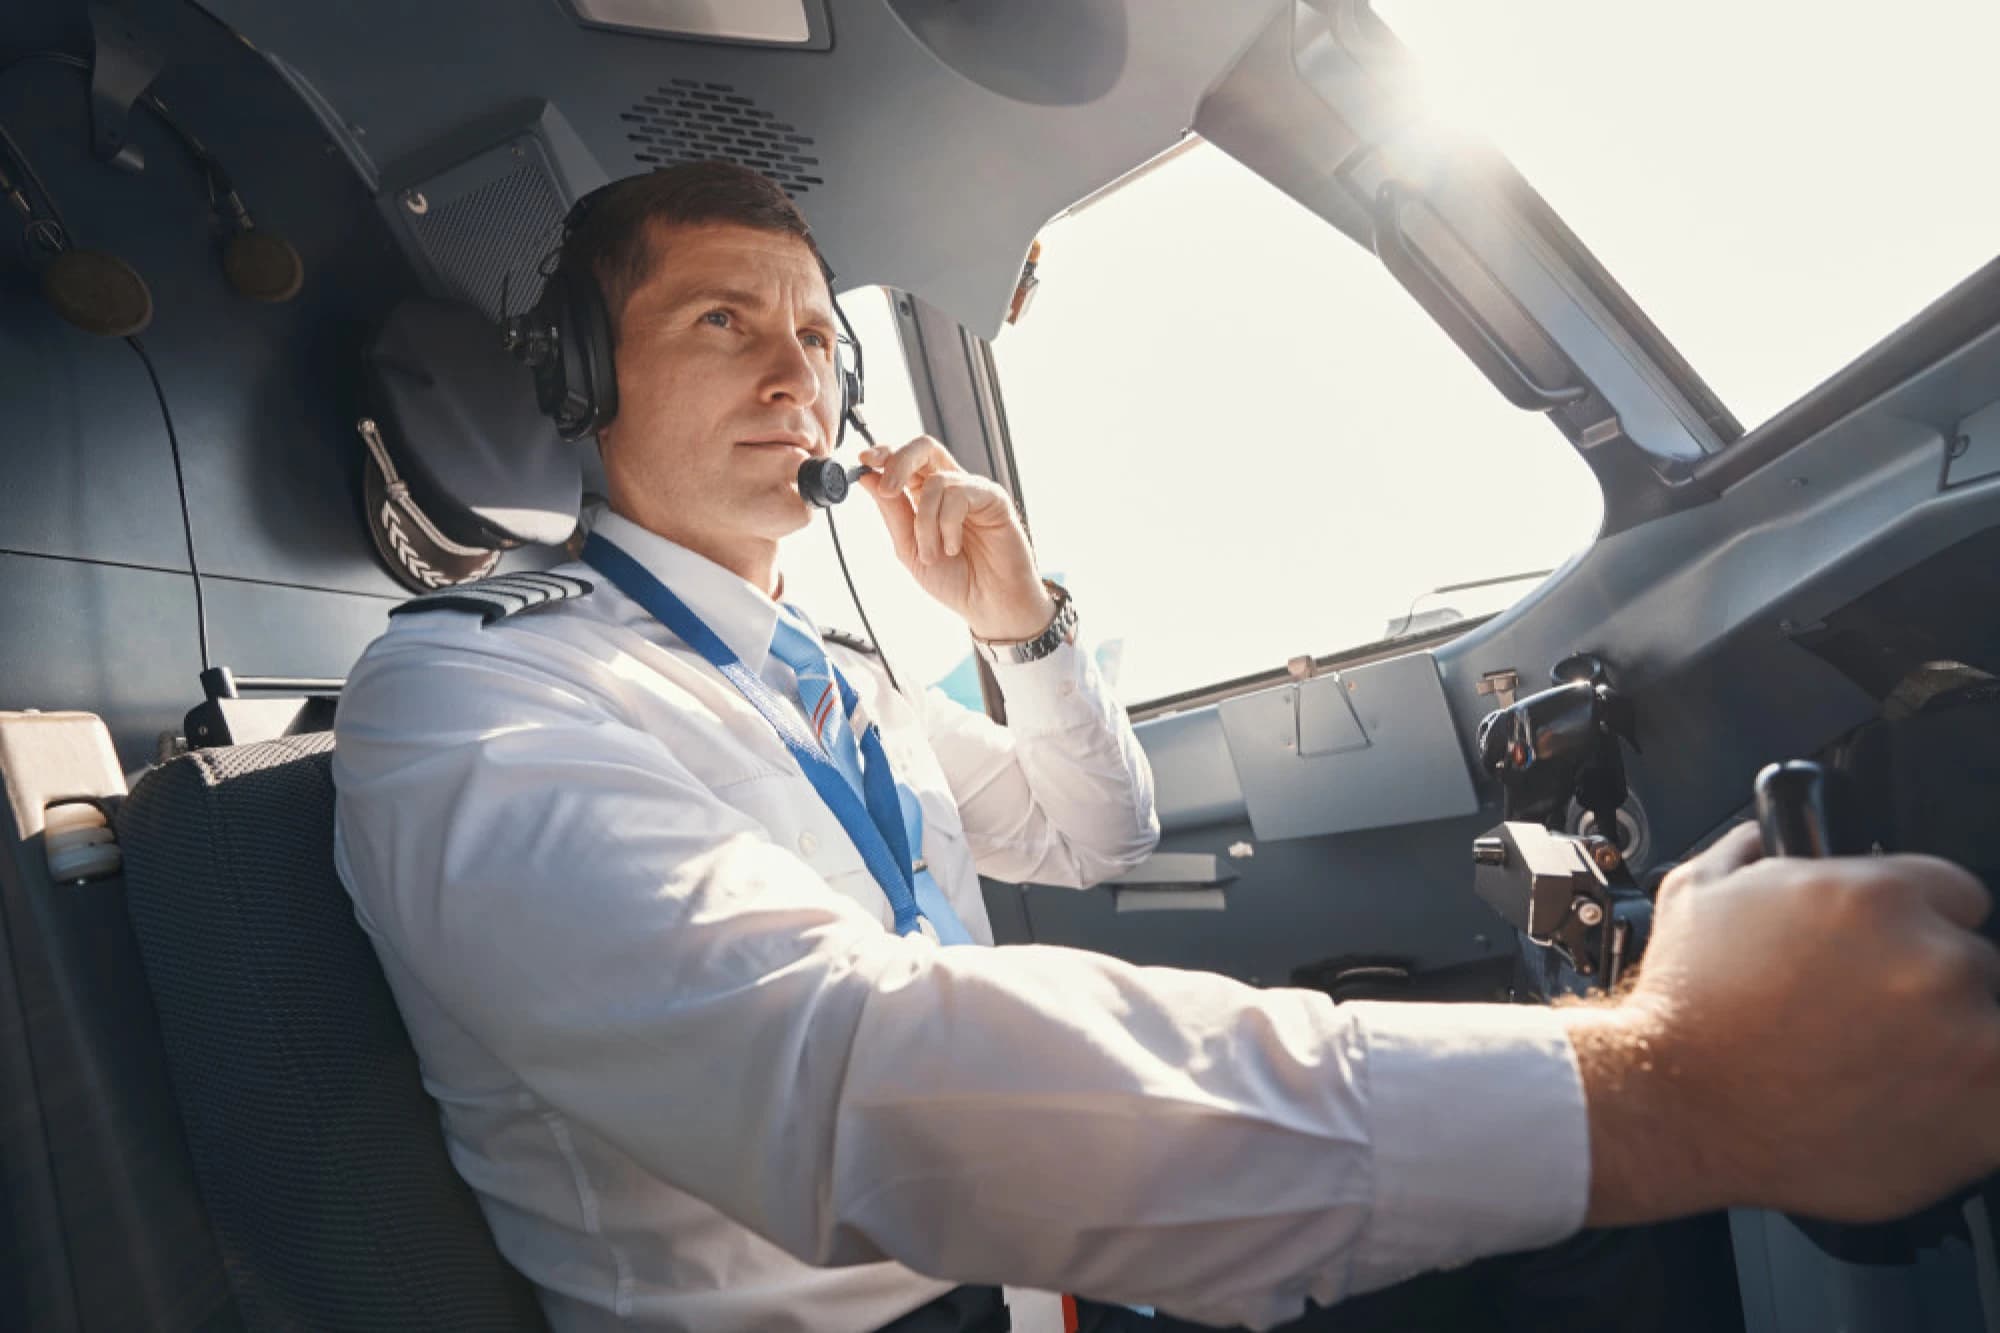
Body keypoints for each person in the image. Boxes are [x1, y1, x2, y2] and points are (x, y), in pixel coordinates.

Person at [332, 162, 2000, 1333]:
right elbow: (853, 1071)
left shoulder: (827, 677)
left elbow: (1098, 832)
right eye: (722, 325)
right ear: (576, 375)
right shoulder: (482, 703)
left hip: (1030, 1281)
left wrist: (1015, 626)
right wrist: (1669, 1092)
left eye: (822, 337)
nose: (801, 377)